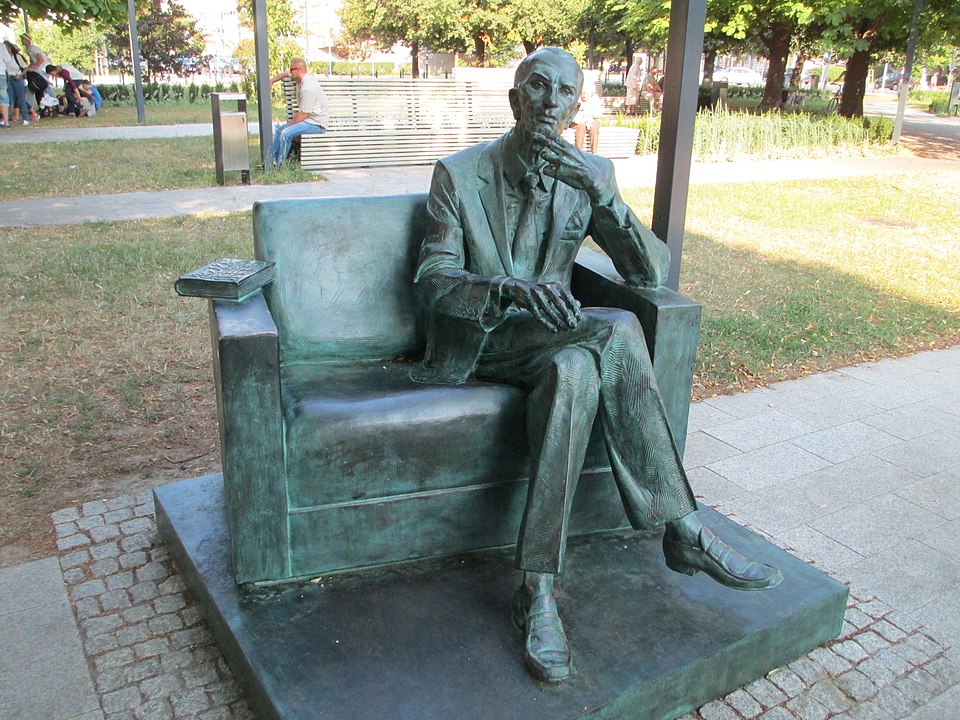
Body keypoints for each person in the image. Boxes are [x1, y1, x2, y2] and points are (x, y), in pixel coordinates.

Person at [413, 47, 781, 684]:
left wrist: (607, 197)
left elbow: (649, 272)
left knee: (576, 373)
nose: (550, 102)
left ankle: (538, 590)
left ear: (576, 105)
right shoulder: (459, 174)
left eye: (564, 92)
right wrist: (507, 287)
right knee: (614, 326)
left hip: (557, 347)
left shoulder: (590, 177)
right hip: (485, 339)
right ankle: (682, 529)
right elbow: (433, 280)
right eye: (538, 87)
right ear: (515, 97)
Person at [268, 57, 329, 168]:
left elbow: (303, 114)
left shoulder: (308, 88)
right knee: (278, 130)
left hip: (317, 124)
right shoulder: (301, 78)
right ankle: (271, 161)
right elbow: (284, 74)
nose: (290, 72)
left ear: (298, 70)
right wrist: (272, 81)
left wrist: (287, 127)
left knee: (285, 133)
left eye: (291, 69)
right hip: (308, 120)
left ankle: (280, 166)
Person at [4, 40, 38, 124]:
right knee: (9, 99)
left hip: (17, 78)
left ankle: (25, 118)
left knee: (21, 99)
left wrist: (20, 75)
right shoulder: (4, 58)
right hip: (9, 79)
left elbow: (26, 67)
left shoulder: (16, 57)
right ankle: (6, 118)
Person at [19, 34, 49, 111]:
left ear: (27, 40)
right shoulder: (29, 49)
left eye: (23, 39)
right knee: (38, 90)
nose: (22, 41)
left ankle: (30, 107)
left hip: (38, 72)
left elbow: (41, 60)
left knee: (38, 88)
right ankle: (41, 107)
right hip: (37, 71)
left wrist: (33, 67)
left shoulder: (33, 49)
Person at [571, 84, 602, 152]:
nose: (584, 95)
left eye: (586, 93)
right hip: (577, 120)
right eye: (583, 93)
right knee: (581, 126)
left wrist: (589, 116)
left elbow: (598, 114)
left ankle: (594, 152)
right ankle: (579, 152)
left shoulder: (595, 99)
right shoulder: (577, 98)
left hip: (590, 119)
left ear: (591, 94)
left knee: (594, 126)